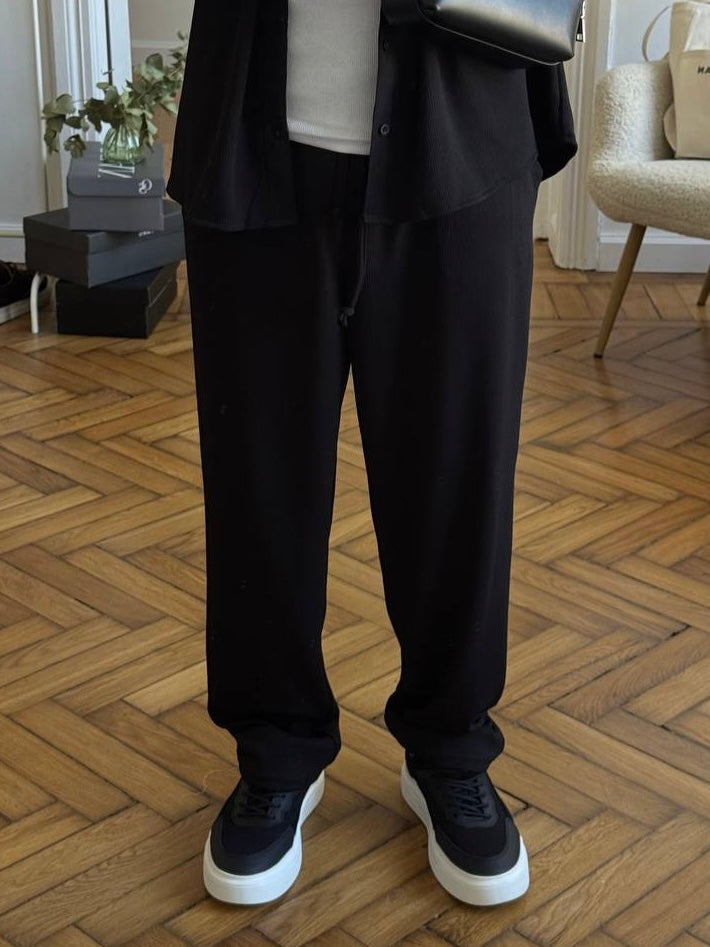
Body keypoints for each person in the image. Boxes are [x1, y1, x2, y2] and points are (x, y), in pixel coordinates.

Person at [167, 0, 578, 909]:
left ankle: (451, 747)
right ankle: (277, 750)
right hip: (255, 136)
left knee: (458, 474)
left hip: (463, 130)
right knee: (258, 475)